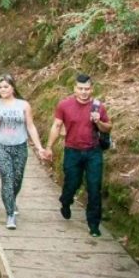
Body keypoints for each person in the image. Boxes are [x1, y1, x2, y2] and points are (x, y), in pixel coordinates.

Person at [43, 73, 111, 237]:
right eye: (80, 89)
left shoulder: (98, 107)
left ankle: (93, 224)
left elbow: (108, 127)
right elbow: (57, 125)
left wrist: (98, 122)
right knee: (72, 183)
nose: (83, 92)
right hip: (72, 151)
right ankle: (66, 201)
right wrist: (49, 147)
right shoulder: (64, 105)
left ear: (91, 89)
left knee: (94, 188)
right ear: (74, 88)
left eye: (87, 89)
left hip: (93, 152)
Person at [0, 74, 47, 230]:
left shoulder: (23, 105)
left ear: (13, 87)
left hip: (20, 146)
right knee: (7, 178)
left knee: (17, 179)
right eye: (0, 87)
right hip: (1, 146)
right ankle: (10, 214)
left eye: (6, 86)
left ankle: (11, 199)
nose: (3, 90)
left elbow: (30, 126)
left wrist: (39, 147)